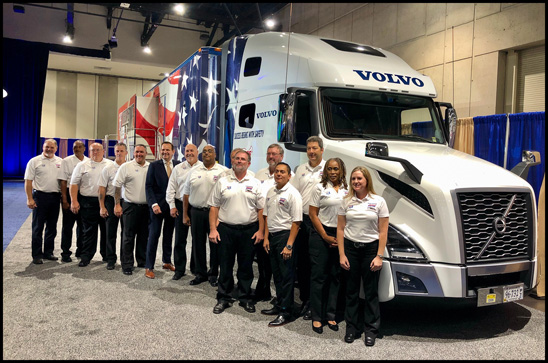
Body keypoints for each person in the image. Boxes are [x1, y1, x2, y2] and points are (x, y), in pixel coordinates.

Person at [337, 166, 389, 347]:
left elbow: (383, 231)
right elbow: (341, 229)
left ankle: (371, 330)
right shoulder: (346, 201)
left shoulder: (378, 201)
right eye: (353, 179)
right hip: (351, 250)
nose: (356, 182)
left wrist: (379, 256)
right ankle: (351, 328)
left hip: (370, 251)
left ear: (367, 180)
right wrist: (342, 254)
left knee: (371, 293)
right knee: (351, 292)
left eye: (359, 178)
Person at [208, 149, 264, 314]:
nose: (239, 161)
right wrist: (213, 229)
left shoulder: (255, 183)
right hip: (226, 229)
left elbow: (261, 210)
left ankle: (245, 297)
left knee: (246, 266)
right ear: (233, 161)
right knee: (225, 264)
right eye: (237, 158)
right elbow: (214, 207)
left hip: (249, 230)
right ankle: (223, 297)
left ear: (249, 163)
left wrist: (261, 230)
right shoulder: (222, 181)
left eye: (243, 159)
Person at [308, 158, 348, 334]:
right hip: (321, 234)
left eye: (336, 169)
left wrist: (341, 237)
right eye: (329, 169)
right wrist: (324, 236)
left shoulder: (349, 189)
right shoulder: (319, 188)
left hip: (341, 235)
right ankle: (317, 317)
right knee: (319, 277)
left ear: (341, 171)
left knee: (336, 276)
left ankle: (331, 315)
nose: (332, 172)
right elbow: (312, 214)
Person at [290, 136, 326, 320]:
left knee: (318, 265)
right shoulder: (301, 170)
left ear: (321, 150)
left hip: (321, 221)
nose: (311, 152)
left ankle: (317, 302)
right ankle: (305, 299)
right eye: (309, 149)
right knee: (303, 263)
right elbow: (294, 193)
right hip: (303, 221)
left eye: (314, 148)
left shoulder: (328, 168)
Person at [262, 162, 302, 327]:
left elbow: (297, 222)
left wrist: (289, 245)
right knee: (277, 275)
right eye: (277, 171)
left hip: (286, 237)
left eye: (282, 172)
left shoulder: (293, 194)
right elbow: (266, 215)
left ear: (289, 175)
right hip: (272, 237)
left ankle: (286, 311)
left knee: (286, 277)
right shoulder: (271, 191)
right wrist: (266, 238)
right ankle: (279, 304)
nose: (279, 174)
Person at [182, 144, 227, 286]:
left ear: (215, 154)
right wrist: (185, 214)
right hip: (196, 212)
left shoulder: (223, 171)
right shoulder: (194, 171)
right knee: (197, 243)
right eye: (204, 151)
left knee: (215, 244)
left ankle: (213, 274)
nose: (207, 153)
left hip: (215, 213)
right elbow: (186, 194)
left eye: (210, 151)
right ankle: (200, 273)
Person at [254, 143, 294, 303]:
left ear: (281, 157)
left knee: (281, 267)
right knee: (263, 260)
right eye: (269, 154)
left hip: (282, 227)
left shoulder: (290, 177)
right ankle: (263, 291)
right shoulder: (259, 174)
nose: (271, 157)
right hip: (263, 222)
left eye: (275, 154)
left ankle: (284, 301)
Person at [69, 142, 112, 267]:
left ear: (103, 151)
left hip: (105, 201)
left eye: (98, 150)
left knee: (106, 231)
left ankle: (106, 256)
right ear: (89, 151)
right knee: (88, 232)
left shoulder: (110, 165)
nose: (95, 152)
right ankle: (86, 256)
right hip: (88, 202)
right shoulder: (82, 165)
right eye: (93, 150)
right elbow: (73, 184)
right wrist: (74, 200)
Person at [144, 141, 181, 279]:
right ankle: (149, 266)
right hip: (157, 207)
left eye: (167, 150)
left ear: (173, 151)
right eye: (163, 150)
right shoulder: (154, 166)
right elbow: (148, 186)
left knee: (169, 235)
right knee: (153, 236)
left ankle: (167, 261)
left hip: (172, 207)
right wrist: (153, 204)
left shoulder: (178, 165)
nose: (165, 152)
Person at [166, 143, 202, 280]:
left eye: (192, 151)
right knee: (180, 239)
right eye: (187, 151)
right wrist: (172, 206)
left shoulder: (203, 168)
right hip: (181, 206)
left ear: (197, 152)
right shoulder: (177, 168)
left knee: (197, 240)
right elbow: (170, 188)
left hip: (197, 207)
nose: (189, 153)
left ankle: (196, 268)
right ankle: (179, 269)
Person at [24, 139, 63, 264]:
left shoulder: (60, 162)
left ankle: (48, 252)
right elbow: (28, 181)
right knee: (38, 227)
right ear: (43, 147)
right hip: (40, 197)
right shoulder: (34, 161)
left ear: (56, 149)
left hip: (55, 198)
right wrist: (30, 198)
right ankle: (37, 255)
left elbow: (63, 181)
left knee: (52, 227)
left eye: (52, 147)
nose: (49, 149)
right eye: (47, 147)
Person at [113, 144, 150, 275]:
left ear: (146, 153)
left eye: (141, 152)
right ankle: (127, 264)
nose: (139, 154)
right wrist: (117, 204)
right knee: (128, 236)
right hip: (129, 206)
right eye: (137, 152)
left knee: (143, 236)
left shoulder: (150, 167)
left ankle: (142, 260)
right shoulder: (126, 167)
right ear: (133, 153)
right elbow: (117, 187)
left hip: (146, 208)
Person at [98, 142, 128, 270]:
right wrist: (102, 206)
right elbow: (102, 188)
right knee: (110, 232)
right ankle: (110, 258)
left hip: (127, 202)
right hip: (110, 201)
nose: (119, 153)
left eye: (122, 151)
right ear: (114, 152)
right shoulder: (108, 168)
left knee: (126, 233)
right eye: (117, 151)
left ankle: (125, 259)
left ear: (126, 153)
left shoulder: (130, 167)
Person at [57, 140, 88, 262]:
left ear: (84, 149)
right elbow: (63, 181)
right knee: (67, 226)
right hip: (69, 195)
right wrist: (64, 199)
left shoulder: (88, 161)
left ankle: (80, 250)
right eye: (75, 147)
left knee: (82, 225)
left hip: (84, 195)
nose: (77, 149)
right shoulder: (66, 161)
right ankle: (65, 253)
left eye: (80, 147)